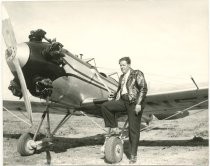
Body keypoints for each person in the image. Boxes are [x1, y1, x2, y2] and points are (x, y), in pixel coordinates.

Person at [101, 56, 148, 164]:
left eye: (124, 65)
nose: (122, 67)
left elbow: (143, 88)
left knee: (133, 130)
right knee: (105, 106)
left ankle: (133, 155)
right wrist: (111, 98)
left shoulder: (137, 73)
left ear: (129, 65)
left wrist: (139, 103)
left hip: (134, 102)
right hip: (123, 101)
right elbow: (119, 91)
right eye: (120, 65)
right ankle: (114, 128)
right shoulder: (122, 77)